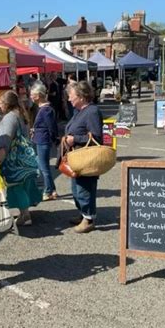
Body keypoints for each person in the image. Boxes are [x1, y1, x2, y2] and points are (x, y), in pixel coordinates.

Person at [0, 90, 42, 226]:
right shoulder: (20, 114)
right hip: (22, 158)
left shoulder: (9, 118)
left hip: (12, 160)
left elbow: (5, 141)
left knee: (15, 186)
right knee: (22, 185)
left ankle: (25, 215)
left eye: (1, 103)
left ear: (7, 104)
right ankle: (25, 213)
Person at [64, 81, 103, 234]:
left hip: (86, 158)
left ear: (81, 96)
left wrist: (75, 139)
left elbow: (97, 137)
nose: (69, 99)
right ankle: (83, 214)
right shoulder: (80, 111)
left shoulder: (92, 111)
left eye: (71, 96)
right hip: (77, 158)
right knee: (76, 189)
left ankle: (89, 218)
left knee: (85, 189)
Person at [30, 82, 58, 201]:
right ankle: (52, 189)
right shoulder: (43, 109)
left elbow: (51, 127)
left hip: (43, 140)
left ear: (38, 95)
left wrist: (54, 140)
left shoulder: (46, 110)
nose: (31, 96)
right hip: (41, 139)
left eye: (33, 94)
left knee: (44, 167)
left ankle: (48, 191)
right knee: (43, 166)